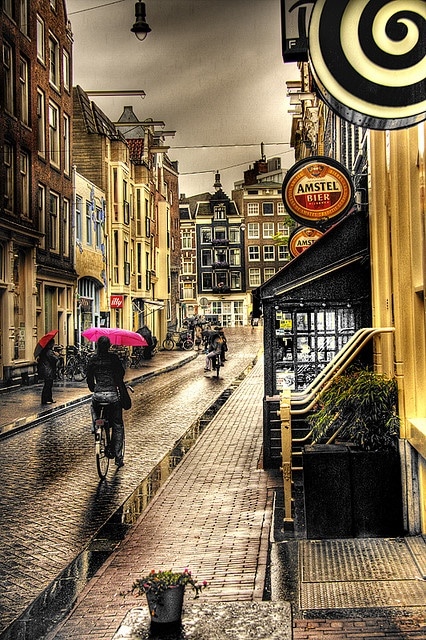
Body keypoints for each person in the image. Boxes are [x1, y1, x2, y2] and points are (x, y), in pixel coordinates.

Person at [86, 336, 126, 468]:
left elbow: (89, 378)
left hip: (98, 395)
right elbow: (121, 373)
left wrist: (94, 388)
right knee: (118, 425)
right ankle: (118, 457)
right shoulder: (113, 358)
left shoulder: (93, 359)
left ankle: (96, 424)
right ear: (109, 346)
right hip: (112, 395)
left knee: (93, 407)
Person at [38, 338, 59, 405]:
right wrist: (56, 355)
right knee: (48, 385)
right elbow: (54, 359)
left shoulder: (44, 351)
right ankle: (45, 400)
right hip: (48, 370)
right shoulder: (49, 352)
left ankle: (49, 398)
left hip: (46, 370)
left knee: (49, 384)